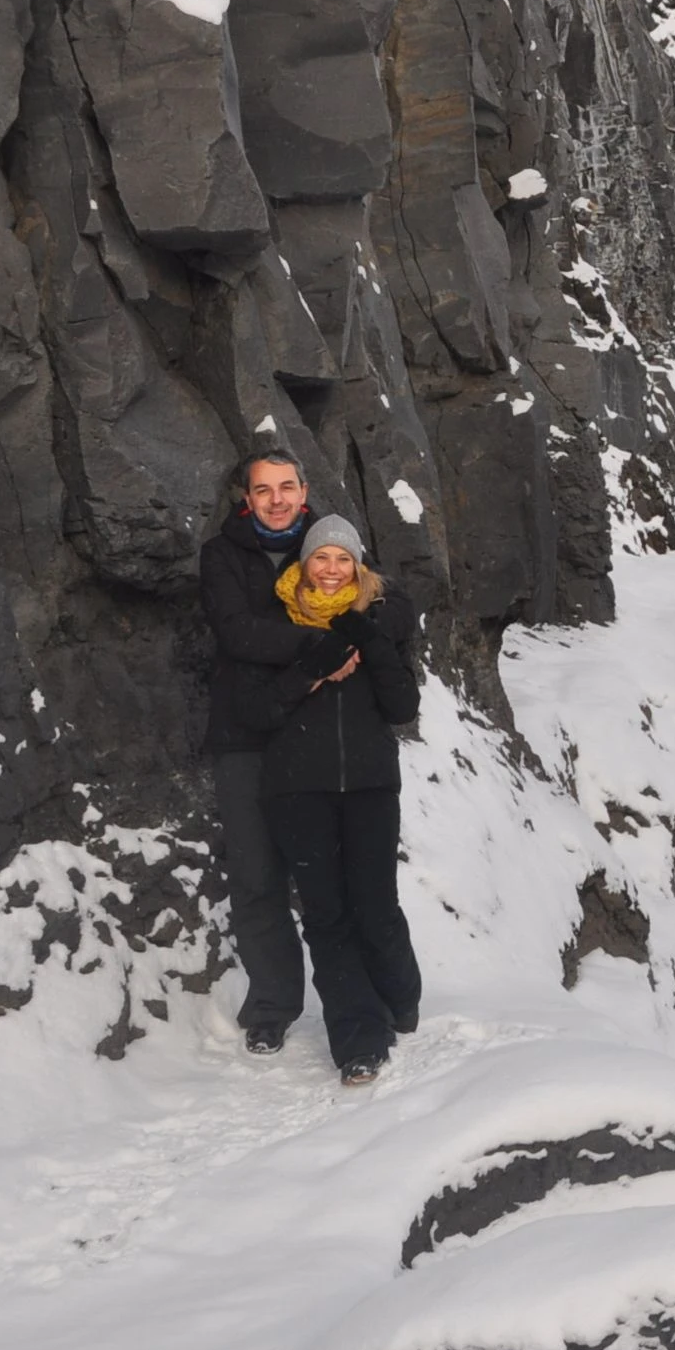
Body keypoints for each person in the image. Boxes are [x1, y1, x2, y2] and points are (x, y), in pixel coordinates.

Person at [251, 515, 424, 1086]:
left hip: (372, 786)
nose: (330, 570)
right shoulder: (274, 624)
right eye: (320, 558)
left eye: (342, 559)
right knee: (326, 915)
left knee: (376, 904)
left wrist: (370, 639)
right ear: (302, 565)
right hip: (298, 790)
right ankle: (358, 1040)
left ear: (358, 566)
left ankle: (402, 996)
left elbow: (401, 706)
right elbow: (256, 710)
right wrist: (311, 672)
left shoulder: (380, 623)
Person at [198, 451, 322, 1055]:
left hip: (318, 731)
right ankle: (271, 1006)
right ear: (246, 498)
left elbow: (378, 613)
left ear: (305, 490)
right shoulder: (221, 556)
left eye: (287, 487)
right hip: (242, 735)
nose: (277, 499)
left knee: (330, 874)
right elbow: (237, 633)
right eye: (263, 490)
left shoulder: (331, 550)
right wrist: (318, 644)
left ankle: (355, 1004)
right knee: (255, 876)